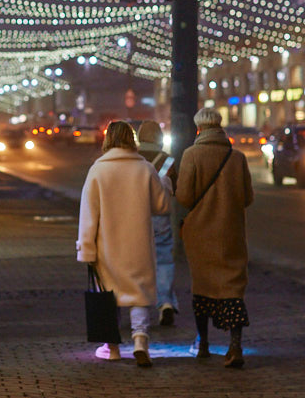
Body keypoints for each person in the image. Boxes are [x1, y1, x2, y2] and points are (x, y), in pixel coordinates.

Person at [76, 121, 171, 367]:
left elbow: (89, 214)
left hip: (107, 246)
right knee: (138, 293)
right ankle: (140, 341)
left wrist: (86, 248)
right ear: (132, 139)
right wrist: (166, 185)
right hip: (138, 245)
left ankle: (112, 347)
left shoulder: (98, 170)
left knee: (108, 296)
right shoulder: (145, 168)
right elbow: (162, 207)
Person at [175, 106, 255, 369]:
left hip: (200, 234)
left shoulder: (191, 155)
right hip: (231, 232)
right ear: (220, 127)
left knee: (203, 286)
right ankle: (235, 345)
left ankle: (203, 343)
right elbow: (247, 198)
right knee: (232, 287)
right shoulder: (237, 158)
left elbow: (185, 198)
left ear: (199, 128)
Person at [135, 121, 179, 326]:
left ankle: (135, 303)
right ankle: (166, 303)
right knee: (163, 260)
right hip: (160, 216)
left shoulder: (132, 158)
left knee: (134, 261)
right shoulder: (167, 160)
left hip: (134, 216)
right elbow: (176, 188)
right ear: (159, 137)